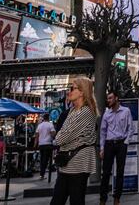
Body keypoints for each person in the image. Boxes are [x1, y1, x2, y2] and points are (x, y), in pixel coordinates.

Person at [51, 77, 97, 205]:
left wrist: (62, 137)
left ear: (82, 92)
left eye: (72, 88)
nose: (69, 91)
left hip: (78, 163)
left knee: (76, 200)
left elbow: (60, 138)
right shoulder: (72, 111)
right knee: (57, 200)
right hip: (67, 163)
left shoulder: (86, 112)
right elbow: (62, 134)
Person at [99, 91, 133, 205]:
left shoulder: (126, 111)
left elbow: (130, 128)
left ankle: (117, 198)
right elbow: (103, 132)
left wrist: (126, 142)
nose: (108, 100)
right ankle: (102, 199)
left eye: (110, 98)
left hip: (121, 144)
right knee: (106, 173)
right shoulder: (106, 114)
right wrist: (102, 148)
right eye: (107, 98)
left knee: (120, 172)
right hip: (109, 144)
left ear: (116, 98)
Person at [35, 114, 56, 179]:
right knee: (47, 159)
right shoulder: (50, 125)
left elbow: (36, 135)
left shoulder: (40, 125)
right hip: (48, 144)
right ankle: (45, 173)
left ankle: (42, 174)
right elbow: (53, 134)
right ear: (48, 118)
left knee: (42, 159)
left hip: (41, 144)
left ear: (43, 118)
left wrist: (35, 144)